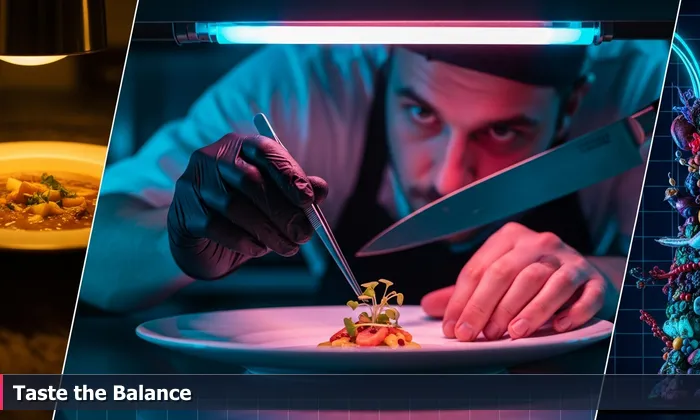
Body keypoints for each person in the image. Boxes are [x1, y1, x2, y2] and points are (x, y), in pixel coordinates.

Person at [81, 42, 665, 342]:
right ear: (385, 68)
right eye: (421, 113)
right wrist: (174, 242)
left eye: (504, 130)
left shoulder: (652, 95)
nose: (445, 177)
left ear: (572, 105)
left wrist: (606, 279)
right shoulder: (305, 85)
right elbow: (92, 254)